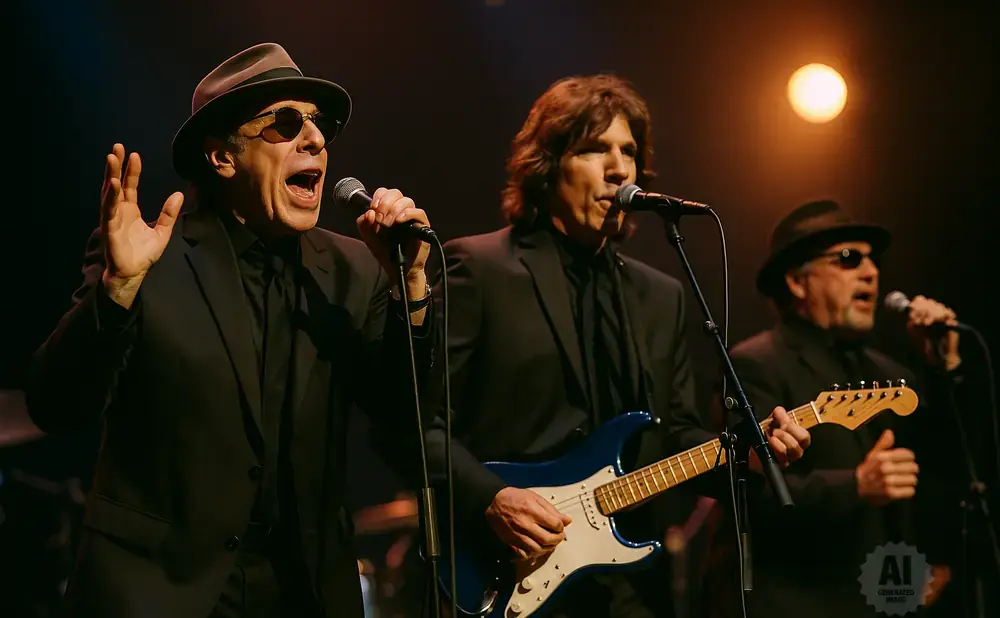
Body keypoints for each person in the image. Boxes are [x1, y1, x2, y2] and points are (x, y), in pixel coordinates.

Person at [24, 43, 439, 618]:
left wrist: (410, 289)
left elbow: (410, 428)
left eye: (318, 125)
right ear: (222, 156)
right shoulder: (152, 257)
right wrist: (116, 291)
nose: (315, 139)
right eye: (287, 124)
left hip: (305, 594)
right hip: (159, 594)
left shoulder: (356, 270)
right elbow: (55, 406)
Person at [425, 74, 811, 618]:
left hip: (631, 589)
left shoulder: (661, 296)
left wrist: (747, 452)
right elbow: (417, 420)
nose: (619, 168)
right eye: (594, 149)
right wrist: (491, 497)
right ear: (548, 165)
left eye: (628, 151)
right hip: (510, 572)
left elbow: (675, 436)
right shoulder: (481, 270)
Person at [702, 200, 968, 618]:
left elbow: (952, 470)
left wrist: (943, 369)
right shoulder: (754, 364)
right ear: (796, 281)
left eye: (873, 260)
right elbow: (747, 494)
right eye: (848, 258)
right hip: (797, 603)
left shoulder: (891, 372)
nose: (871, 272)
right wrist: (855, 485)